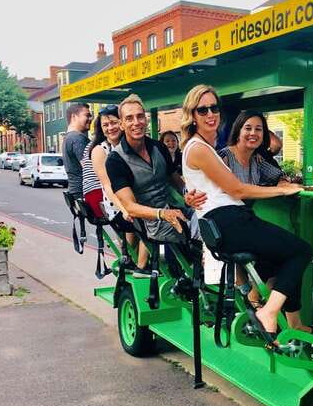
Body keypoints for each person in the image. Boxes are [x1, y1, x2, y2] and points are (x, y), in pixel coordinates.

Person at [180, 84, 312, 338]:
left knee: (280, 259)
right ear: (192, 115)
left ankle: (289, 322)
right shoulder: (200, 148)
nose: (210, 114)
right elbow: (237, 190)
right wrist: (282, 191)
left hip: (228, 220)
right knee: (302, 250)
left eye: (214, 108)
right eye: (203, 109)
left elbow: (199, 185)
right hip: (229, 220)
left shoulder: (203, 148)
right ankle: (268, 312)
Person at [105, 94, 206, 268]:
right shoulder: (115, 160)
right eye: (129, 118)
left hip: (176, 208)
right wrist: (162, 214)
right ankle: (192, 276)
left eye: (139, 116)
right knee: (197, 233)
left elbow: (175, 178)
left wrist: (188, 194)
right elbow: (129, 207)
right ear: (121, 124)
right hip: (151, 221)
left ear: (145, 118)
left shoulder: (159, 147)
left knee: (211, 216)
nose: (136, 122)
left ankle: (208, 275)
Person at [81, 104, 148, 273]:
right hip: (117, 206)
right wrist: (124, 208)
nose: (110, 128)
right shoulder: (100, 150)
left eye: (114, 122)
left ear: (122, 123)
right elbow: (107, 185)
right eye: (106, 125)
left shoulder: (131, 144)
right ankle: (141, 268)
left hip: (137, 199)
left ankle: (133, 260)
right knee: (149, 221)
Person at [219, 110, 289, 187]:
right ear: (238, 131)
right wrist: (281, 190)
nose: (253, 133)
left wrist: (283, 182)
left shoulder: (256, 160)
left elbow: (279, 175)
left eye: (258, 129)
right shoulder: (223, 157)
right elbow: (237, 191)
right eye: (248, 128)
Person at [62, 103, 93, 200]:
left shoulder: (68, 138)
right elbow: (89, 168)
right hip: (85, 193)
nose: (90, 119)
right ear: (74, 116)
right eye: (87, 115)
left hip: (75, 192)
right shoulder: (77, 138)